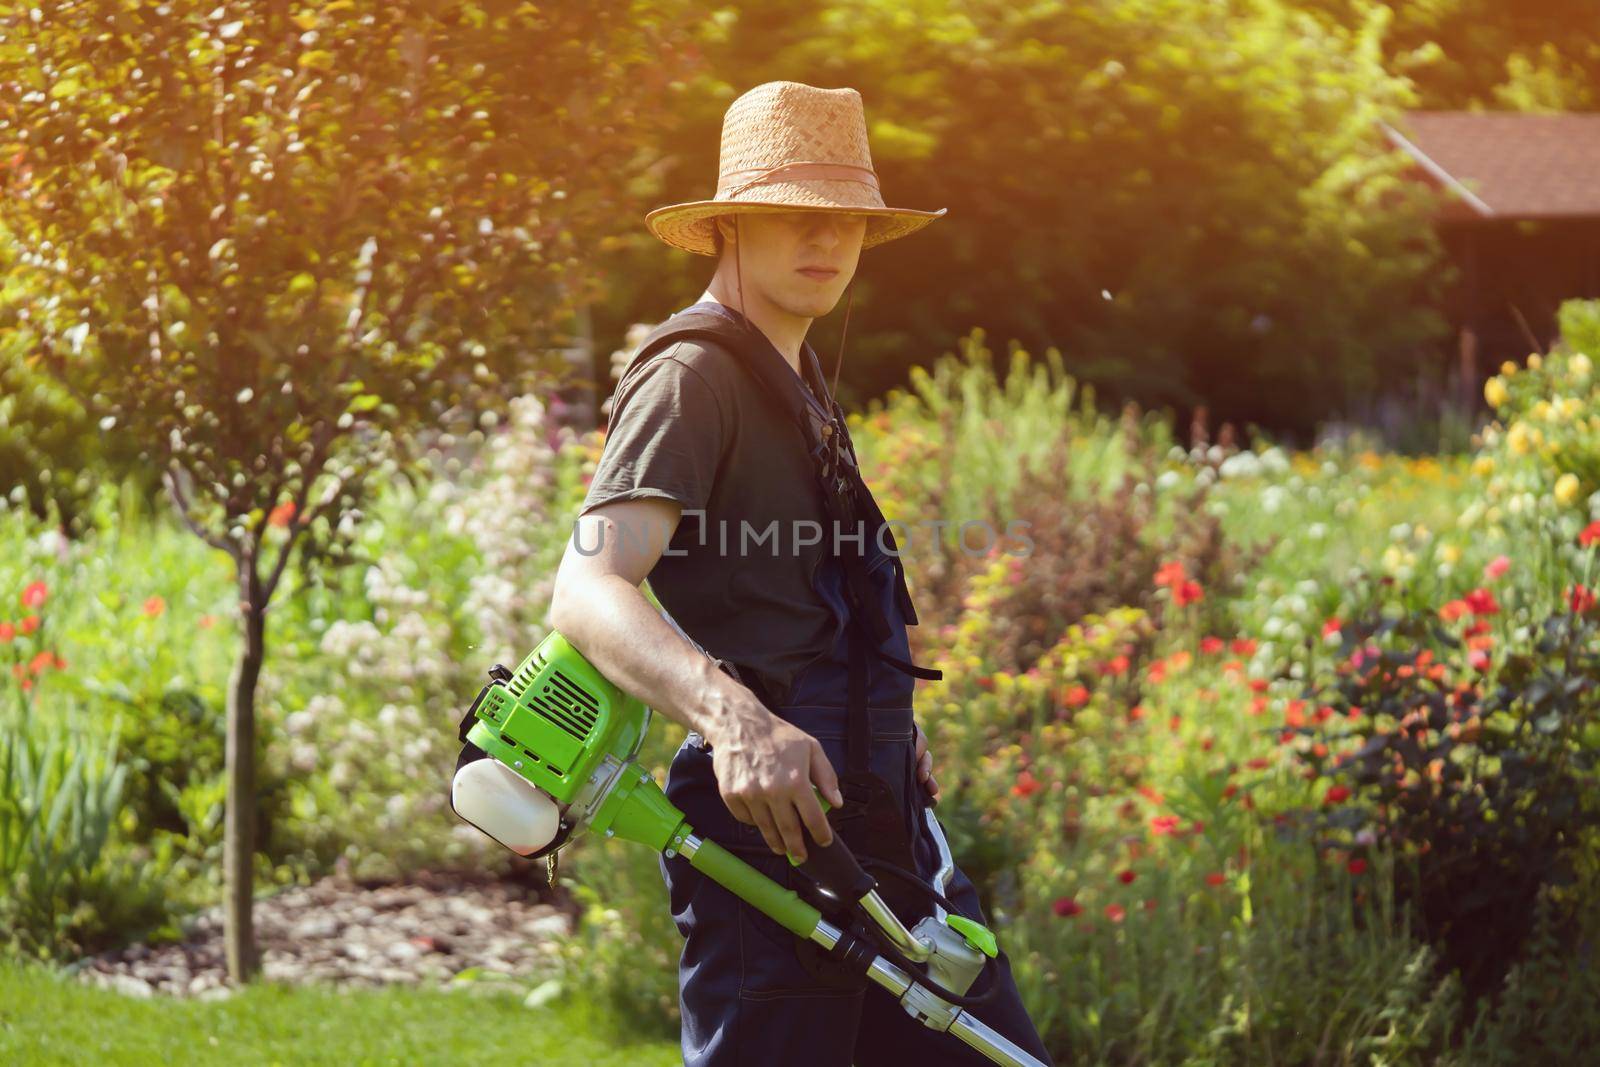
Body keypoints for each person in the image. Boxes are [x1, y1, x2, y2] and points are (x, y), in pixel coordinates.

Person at [550, 80, 1053, 1067]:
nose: (824, 242)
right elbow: (587, 589)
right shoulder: (691, 374)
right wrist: (734, 719)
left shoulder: (793, 376)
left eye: (847, 222)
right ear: (730, 223)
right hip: (767, 834)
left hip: (879, 818)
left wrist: (893, 727)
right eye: (792, 217)